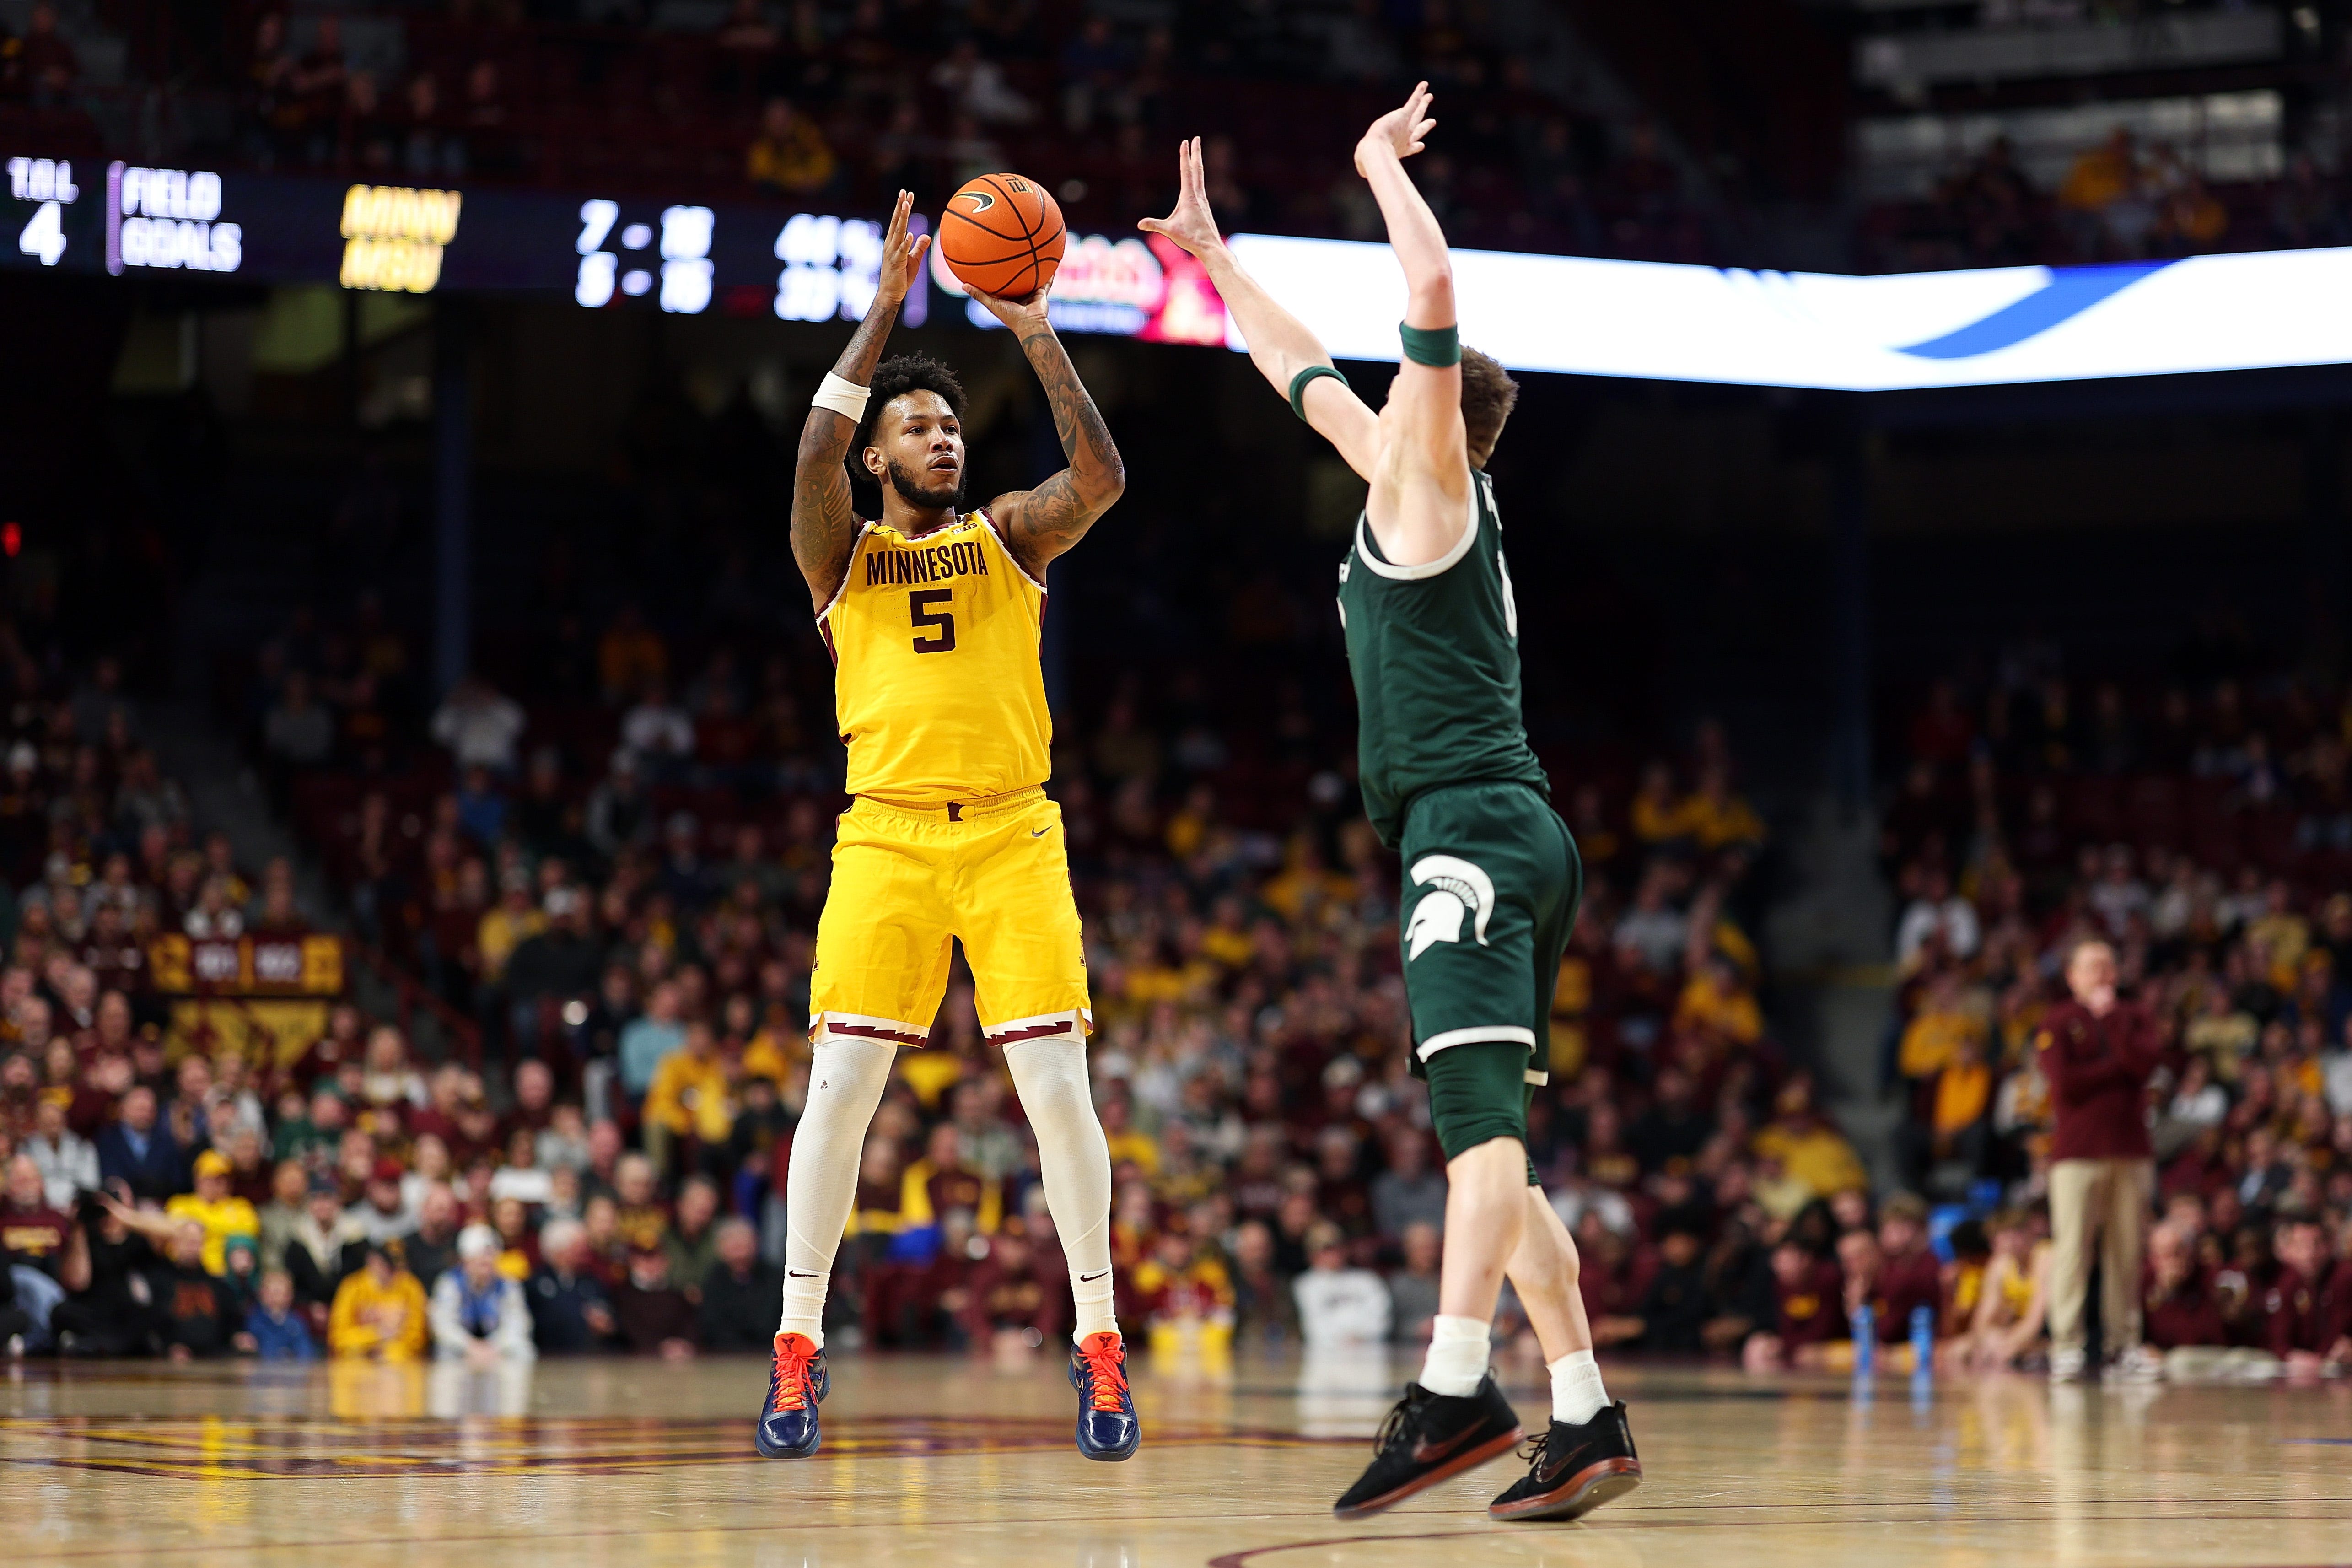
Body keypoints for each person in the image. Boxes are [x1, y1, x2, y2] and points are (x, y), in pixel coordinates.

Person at [1142, 89, 1638, 1522]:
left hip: (1472, 835)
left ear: (1437, 413)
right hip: (1497, 829)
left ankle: (1452, 1384)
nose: (1383, 387)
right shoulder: (1400, 477)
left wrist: (1371, 166)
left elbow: (1426, 284)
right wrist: (1214, 260)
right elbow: (1298, 367)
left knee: (1474, 1141)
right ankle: (1589, 1410)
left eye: (1406, 384)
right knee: (1505, 1156)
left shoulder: (1427, 483)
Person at [763, 189, 1131, 1462]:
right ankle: (799, 1347)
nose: (943, 442)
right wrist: (876, 317)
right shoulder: (840, 557)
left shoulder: (1009, 536)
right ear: (878, 453)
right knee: (840, 1092)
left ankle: (1098, 1348)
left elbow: (1101, 477)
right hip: (886, 838)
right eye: (917, 428)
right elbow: (811, 462)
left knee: (1056, 1091)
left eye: (949, 426)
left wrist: (1032, 328)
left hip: (1014, 835)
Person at [2037, 938, 2160, 1382]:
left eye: (2108, 966)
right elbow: (2064, 1085)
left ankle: (2122, 1345)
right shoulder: (2056, 1021)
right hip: (2075, 1154)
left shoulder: (2134, 1016)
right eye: (2092, 967)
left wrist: (2110, 1024)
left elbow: (2145, 1065)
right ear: (2071, 976)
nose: (2103, 975)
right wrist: (2118, 1072)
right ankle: (2065, 1346)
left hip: (2130, 1151)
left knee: (2126, 1252)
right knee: (2072, 1250)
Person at [429, 1223, 537, 1365]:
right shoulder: (450, 1283)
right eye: (480, 1260)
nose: (486, 1262)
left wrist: (494, 1347)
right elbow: (444, 1325)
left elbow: (518, 1322)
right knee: (445, 1353)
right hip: (463, 1347)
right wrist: (470, 1347)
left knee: (523, 1350)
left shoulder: (508, 1284)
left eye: (490, 1258)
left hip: (496, 1347)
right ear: (466, 1261)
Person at [328, 1241, 429, 1360]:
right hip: (357, 1361)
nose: (392, 1269)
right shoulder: (352, 1287)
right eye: (386, 1262)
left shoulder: (411, 1287)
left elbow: (417, 1339)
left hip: (399, 1362)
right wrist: (376, 1336)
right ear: (372, 1259)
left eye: (397, 1264)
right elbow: (338, 1338)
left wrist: (389, 1352)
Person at [245, 1268, 318, 1360]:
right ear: (262, 1293)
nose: (275, 1298)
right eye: (271, 1292)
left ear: (290, 1296)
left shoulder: (297, 1323)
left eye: (279, 1293)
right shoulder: (254, 1320)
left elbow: (306, 1351)